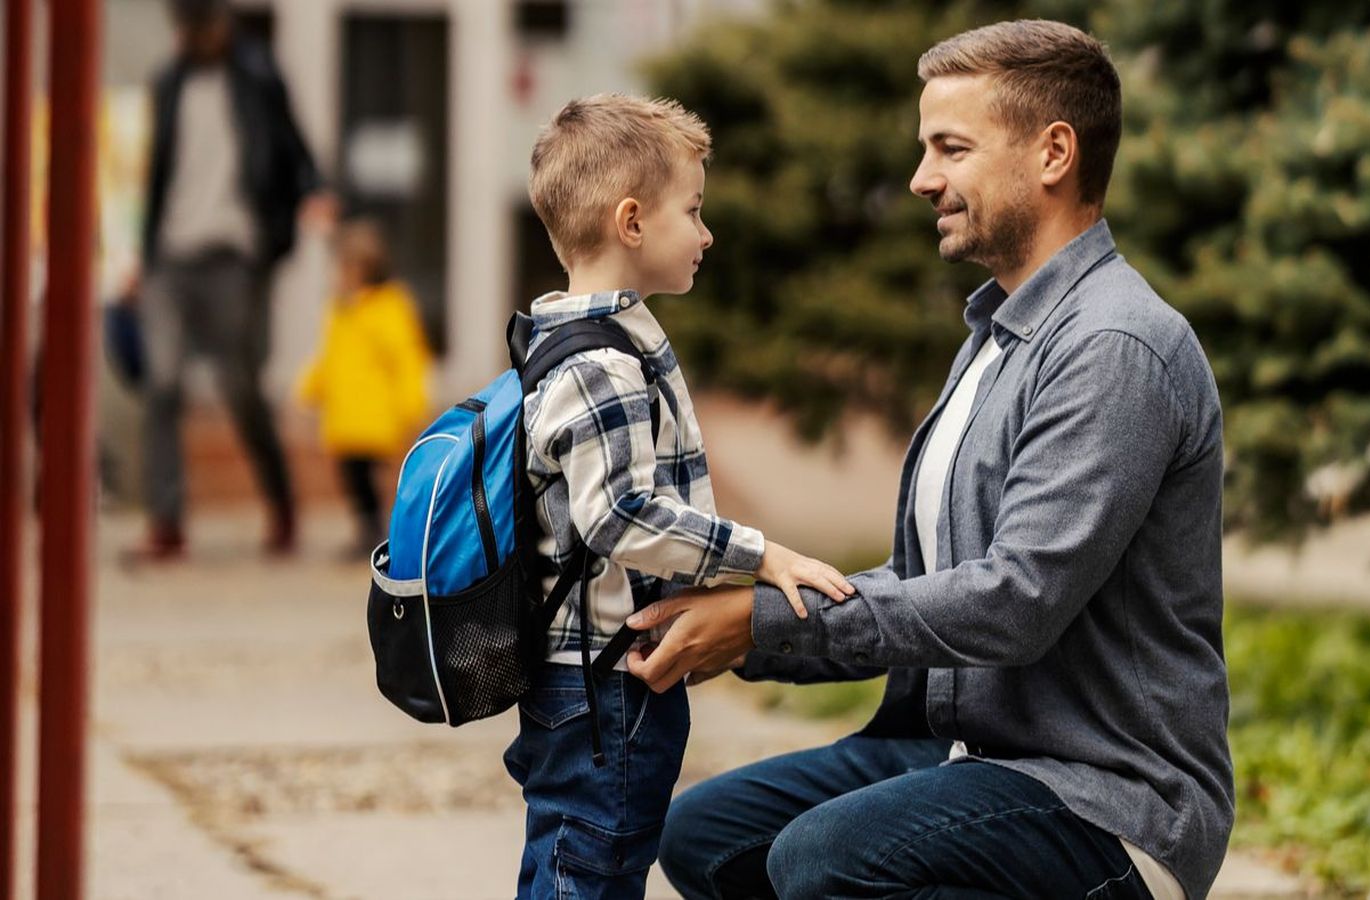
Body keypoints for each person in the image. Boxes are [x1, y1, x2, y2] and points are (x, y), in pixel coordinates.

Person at [630, 20, 1234, 900]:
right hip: (964, 750)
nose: (922, 179)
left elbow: (1015, 600)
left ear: (1053, 153)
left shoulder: (1114, 344)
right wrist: (743, 624)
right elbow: (922, 582)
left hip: (1106, 795)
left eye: (951, 148)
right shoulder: (997, 336)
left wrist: (764, 623)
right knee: (706, 838)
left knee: (822, 859)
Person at [502, 93, 857, 900]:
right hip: (603, 686)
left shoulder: (571, 340)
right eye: (692, 211)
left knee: (569, 861)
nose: (706, 233)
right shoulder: (602, 367)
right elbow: (618, 513)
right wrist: (760, 556)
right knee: (593, 869)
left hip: (586, 682)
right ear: (631, 222)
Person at [126, 0, 336, 561]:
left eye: (207, 28)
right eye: (189, 31)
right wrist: (138, 256)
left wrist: (314, 190)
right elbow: (153, 174)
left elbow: (293, 148)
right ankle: (166, 522)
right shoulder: (169, 82)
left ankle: (281, 503)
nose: (199, 40)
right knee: (163, 384)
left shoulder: (259, 75)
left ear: (224, 25)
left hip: (234, 255)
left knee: (238, 386)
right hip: (170, 254)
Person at [296, 220, 431, 557]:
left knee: (373, 480)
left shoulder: (389, 307)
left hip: (375, 415)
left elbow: (406, 359)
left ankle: (380, 532)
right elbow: (330, 357)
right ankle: (367, 529)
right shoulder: (341, 310)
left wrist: (411, 404)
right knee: (353, 478)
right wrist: (310, 388)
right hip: (346, 415)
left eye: (345, 267)